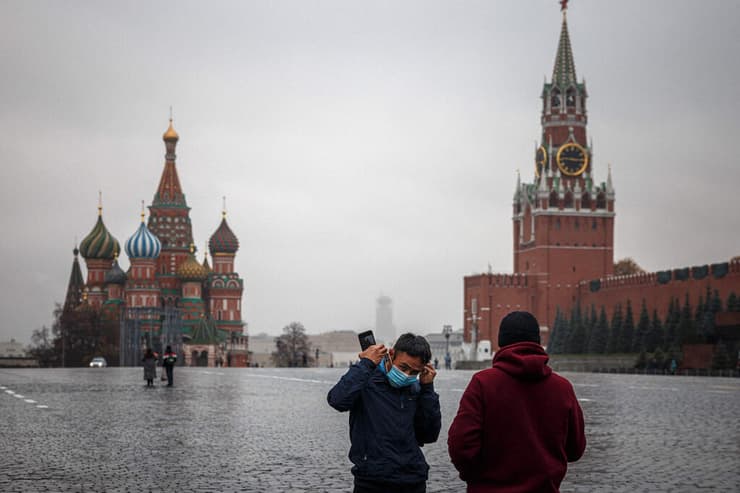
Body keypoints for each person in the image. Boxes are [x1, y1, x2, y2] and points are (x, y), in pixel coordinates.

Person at [448, 311, 586, 492]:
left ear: (501, 342)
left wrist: (475, 477)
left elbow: (461, 445)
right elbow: (575, 449)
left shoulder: (483, 383)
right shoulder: (563, 388)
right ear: (537, 341)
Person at [327, 333, 441, 493]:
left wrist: (428, 389)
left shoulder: (416, 388)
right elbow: (337, 400)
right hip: (372, 480)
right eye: (403, 367)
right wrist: (365, 364)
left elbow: (428, 435)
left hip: (413, 480)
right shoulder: (366, 379)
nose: (407, 375)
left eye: (414, 372)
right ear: (392, 354)